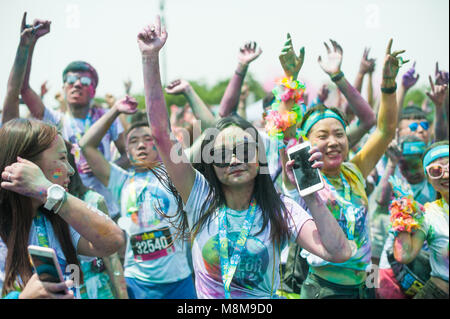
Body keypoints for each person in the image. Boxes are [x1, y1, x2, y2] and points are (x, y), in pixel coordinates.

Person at [137, 15, 352, 299]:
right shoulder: (199, 196)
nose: (234, 159)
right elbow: (162, 136)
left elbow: (338, 252)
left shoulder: (282, 208)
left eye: (244, 150)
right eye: (223, 153)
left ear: (260, 158)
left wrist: (311, 195)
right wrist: (150, 57)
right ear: (211, 162)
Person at [281, 38, 406, 299]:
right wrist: (290, 77)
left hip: (364, 287)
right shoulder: (304, 179)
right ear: (306, 143)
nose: (333, 142)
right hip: (325, 290)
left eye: (339, 134)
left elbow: (384, 129)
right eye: (322, 136)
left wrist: (388, 85)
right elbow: (284, 131)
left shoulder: (354, 170)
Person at [78, 96, 196, 299]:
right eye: (133, 141)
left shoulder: (176, 174)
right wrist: (115, 110)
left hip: (179, 282)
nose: (141, 145)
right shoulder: (120, 181)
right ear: (127, 150)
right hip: (138, 284)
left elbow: (209, 132)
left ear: (158, 145)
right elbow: (86, 145)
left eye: (148, 140)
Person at [18, 14, 128, 221]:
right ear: (64, 87)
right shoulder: (54, 118)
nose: (76, 84)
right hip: (67, 211)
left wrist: (103, 166)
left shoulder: (106, 118)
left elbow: (127, 155)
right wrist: (29, 45)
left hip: (107, 210)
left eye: (84, 80)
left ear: (94, 90)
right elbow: (23, 89)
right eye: (70, 80)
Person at [0, 118, 125, 298]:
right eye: (61, 158)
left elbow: (113, 240)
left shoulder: (58, 216)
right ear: (27, 166)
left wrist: (50, 191)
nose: (70, 170)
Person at [64, 140, 128, 299]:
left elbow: (112, 258)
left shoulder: (92, 200)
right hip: (70, 288)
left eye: (62, 159)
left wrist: (122, 294)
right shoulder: (44, 208)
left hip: (99, 288)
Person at [393, 141, 449, 299]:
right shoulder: (429, 213)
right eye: (436, 171)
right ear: (429, 179)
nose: (445, 175)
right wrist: (401, 216)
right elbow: (404, 255)